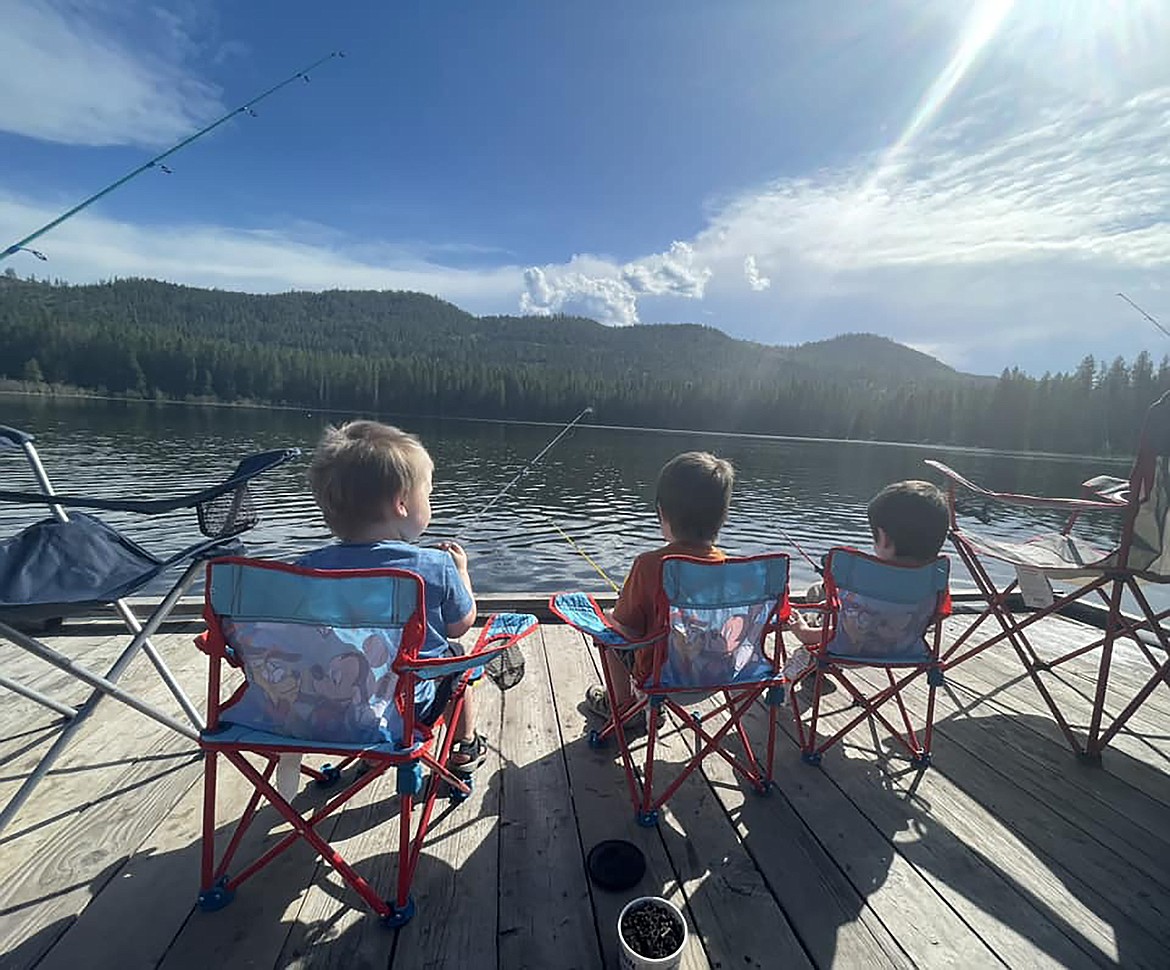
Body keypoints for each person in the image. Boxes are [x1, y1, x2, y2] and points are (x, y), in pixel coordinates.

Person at [277, 421, 482, 797]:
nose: (430, 503)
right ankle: (464, 747)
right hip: (401, 710)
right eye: (429, 495)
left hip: (316, 706)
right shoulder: (433, 567)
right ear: (402, 503)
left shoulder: (305, 568)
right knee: (457, 660)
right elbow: (460, 624)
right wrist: (462, 573)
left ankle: (369, 754)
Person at [583, 451, 735, 728]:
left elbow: (627, 629)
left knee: (607, 634)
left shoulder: (649, 565)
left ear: (662, 513)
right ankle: (649, 706)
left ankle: (622, 706)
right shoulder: (732, 569)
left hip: (660, 678)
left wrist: (609, 617)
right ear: (722, 517)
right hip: (719, 674)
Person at [783, 480, 949, 683]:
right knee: (819, 591)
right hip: (905, 651)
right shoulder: (933, 578)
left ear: (884, 538)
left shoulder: (861, 576)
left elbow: (833, 635)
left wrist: (801, 630)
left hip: (847, 652)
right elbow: (935, 617)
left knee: (817, 599)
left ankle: (794, 679)